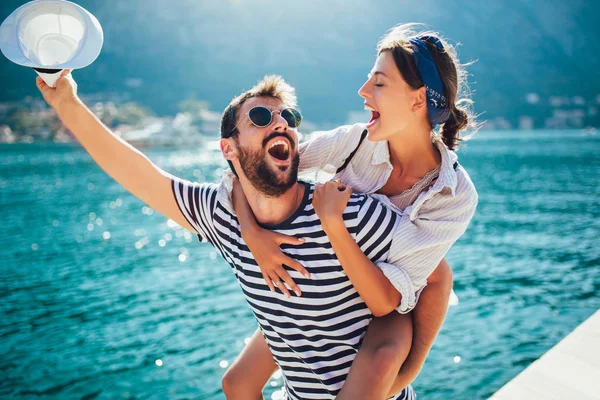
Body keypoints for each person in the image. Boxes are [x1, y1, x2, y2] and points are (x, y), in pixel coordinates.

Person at [36, 72, 425, 399]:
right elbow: (139, 174)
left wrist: (405, 369)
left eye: (288, 117)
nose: (281, 124)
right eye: (260, 116)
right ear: (229, 148)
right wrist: (68, 103)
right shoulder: (223, 218)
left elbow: (432, 276)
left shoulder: (348, 212)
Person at [223, 24, 478, 399]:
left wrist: (333, 224)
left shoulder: (453, 195)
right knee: (236, 382)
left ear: (418, 99)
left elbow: (392, 299)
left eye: (379, 82)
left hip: (389, 309)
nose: (362, 92)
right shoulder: (352, 142)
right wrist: (251, 232)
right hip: (328, 289)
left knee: (392, 368)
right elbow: (260, 169)